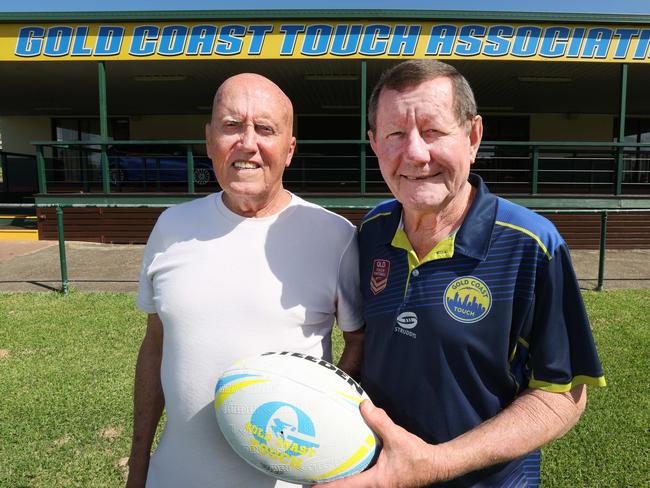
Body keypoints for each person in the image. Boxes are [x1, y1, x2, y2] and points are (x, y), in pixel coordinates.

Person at [320, 60, 606, 487]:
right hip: (376, 474)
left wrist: (434, 463)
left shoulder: (531, 244)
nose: (415, 153)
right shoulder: (372, 231)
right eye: (396, 134)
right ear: (374, 143)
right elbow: (366, 345)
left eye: (433, 131)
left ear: (473, 137)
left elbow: (561, 394)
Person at [126, 73, 364, 488]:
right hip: (175, 476)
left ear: (289, 150)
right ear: (208, 140)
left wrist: (328, 431)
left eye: (265, 129)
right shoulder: (171, 227)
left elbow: (359, 343)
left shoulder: (336, 236)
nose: (247, 143)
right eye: (231, 125)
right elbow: (156, 345)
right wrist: (139, 464)